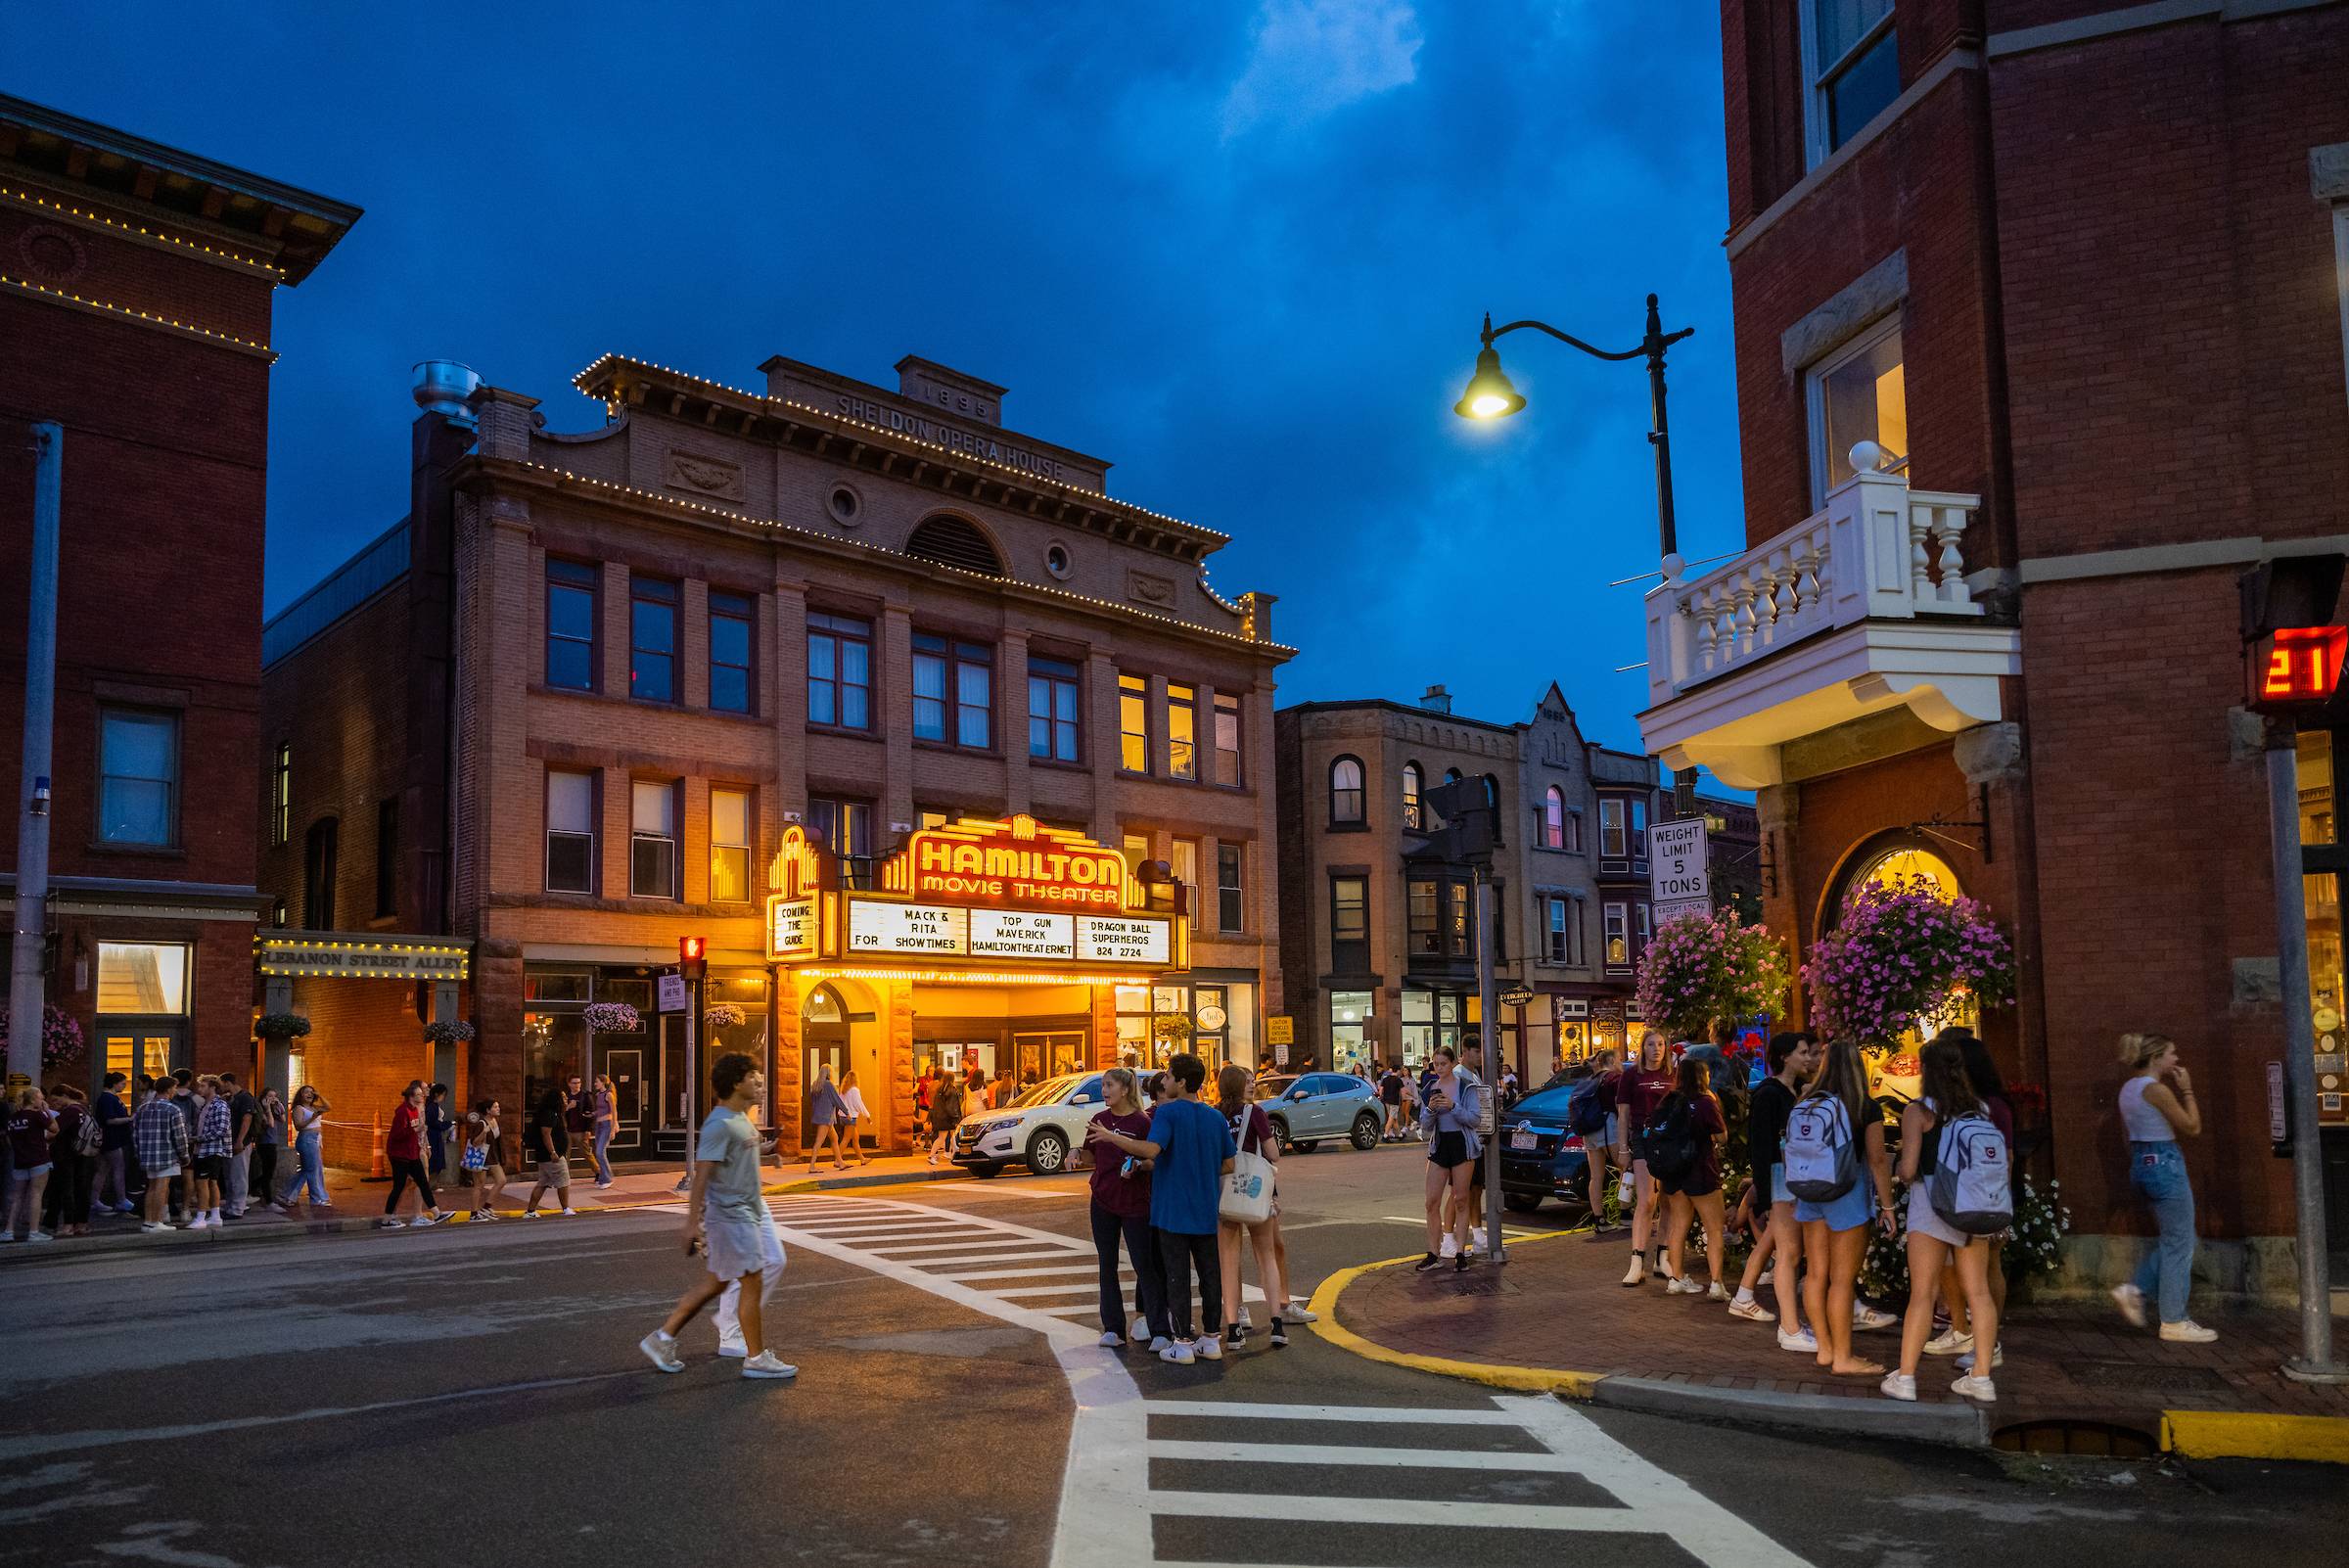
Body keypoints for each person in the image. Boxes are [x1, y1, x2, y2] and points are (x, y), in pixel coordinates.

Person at [641, 1051, 796, 1380]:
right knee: (751, 1280)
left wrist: (767, 1152)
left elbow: (741, 1151)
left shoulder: (741, 1117)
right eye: (754, 1077)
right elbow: (702, 1174)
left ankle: (663, 1338)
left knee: (716, 1284)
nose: (760, 1083)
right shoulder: (719, 1124)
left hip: (747, 1213)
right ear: (737, 1082)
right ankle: (755, 1357)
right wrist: (690, 1224)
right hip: (731, 1217)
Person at [1087, 1051, 1235, 1365]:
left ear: (1181, 1083)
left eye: (1167, 1076)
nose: (1162, 1081)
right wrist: (1198, 1167)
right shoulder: (1214, 1117)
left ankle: (1181, 1342)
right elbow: (1228, 1163)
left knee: (1175, 1276)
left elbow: (1151, 1150)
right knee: (1210, 1274)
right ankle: (1210, 1339)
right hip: (1206, 1206)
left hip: (1172, 1209)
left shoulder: (1167, 1115)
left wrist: (1113, 1138)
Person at [1883, 1037, 2003, 1404]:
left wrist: (1902, 1164)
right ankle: (1981, 1376)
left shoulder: (1918, 1112)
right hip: (1970, 1203)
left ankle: (1906, 1377)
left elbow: (1907, 1170)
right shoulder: (1980, 1108)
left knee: (1922, 1295)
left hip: (1930, 1203)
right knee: (1978, 1292)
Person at [1794, 1038, 1897, 1377]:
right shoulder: (1864, 1106)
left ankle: (1824, 1348)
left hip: (1809, 1193)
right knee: (1842, 1281)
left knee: (1815, 1274)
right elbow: (1878, 1159)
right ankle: (1843, 1357)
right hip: (1847, 1195)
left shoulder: (1807, 1100)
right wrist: (1888, 1206)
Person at [2112, 1031, 2216, 1343]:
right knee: (2179, 1242)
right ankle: (2173, 1319)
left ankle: (2135, 1289)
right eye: (2172, 1054)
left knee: (2179, 1239)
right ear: (2156, 1058)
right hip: (2165, 1162)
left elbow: (2129, 1133)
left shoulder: (2128, 1088)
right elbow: (2192, 1126)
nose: (2176, 1059)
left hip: (2142, 1162)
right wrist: (2187, 1091)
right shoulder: (2156, 1090)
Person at [1729, 1032, 1818, 1346]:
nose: (1808, 1058)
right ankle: (1789, 1326)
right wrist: (1765, 1194)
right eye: (1803, 1052)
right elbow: (1762, 1146)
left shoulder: (1794, 1091)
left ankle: (1743, 1294)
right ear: (1784, 1056)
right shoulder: (1769, 1094)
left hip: (1792, 1179)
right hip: (1780, 1179)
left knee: (1774, 1242)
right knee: (1786, 1250)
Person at [1936, 1030, 2014, 1371]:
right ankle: (1962, 1329)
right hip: (1961, 1198)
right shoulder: (1961, 1105)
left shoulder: (1993, 1107)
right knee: (1953, 1266)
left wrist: (1999, 1203)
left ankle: (1990, 1341)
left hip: (1987, 1197)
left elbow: (2006, 1158)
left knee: (1989, 1267)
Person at [1087, 1066, 1168, 1350]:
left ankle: (1160, 1329)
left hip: (1135, 1202)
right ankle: (1113, 1328)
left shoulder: (1142, 1122)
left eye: (1109, 1085)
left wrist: (1139, 1165)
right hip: (1103, 1199)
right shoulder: (1098, 1119)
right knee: (1106, 1263)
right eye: (1103, 1086)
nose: (1104, 1091)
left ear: (1124, 1089)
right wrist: (1075, 1153)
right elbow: (1090, 1155)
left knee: (1144, 1264)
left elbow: (1154, 1159)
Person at [1214, 1064, 1286, 1348]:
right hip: (1255, 1190)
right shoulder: (1254, 1113)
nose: (1252, 1084)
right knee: (1266, 1255)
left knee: (1228, 1260)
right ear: (1235, 1084)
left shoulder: (1215, 1114)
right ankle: (1276, 1325)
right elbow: (1273, 1154)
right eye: (1246, 1080)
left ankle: (1233, 1328)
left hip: (1225, 1190)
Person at [1653, 1053, 1730, 1299]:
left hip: (1674, 1172)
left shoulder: (1669, 1100)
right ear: (1701, 1077)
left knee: (1678, 1226)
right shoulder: (1705, 1102)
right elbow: (1721, 1137)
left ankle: (1676, 1278)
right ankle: (1716, 1283)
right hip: (1701, 1170)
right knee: (1714, 1228)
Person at [1615, 1035, 1677, 1286]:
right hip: (1643, 1137)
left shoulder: (1674, 1074)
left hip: (1670, 1140)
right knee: (1647, 1200)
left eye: (1661, 1044)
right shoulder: (1631, 1076)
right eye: (1651, 1044)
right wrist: (1622, 1148)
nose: (1656, 1049)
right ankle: (1637, 1261)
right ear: (1642, 1048)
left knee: (1668, 1200)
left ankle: (1663, 1257)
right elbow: (1623, 1115)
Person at [1415, 1046, 1482, 1272]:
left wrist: (1453, 1106)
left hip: (1462, 1144)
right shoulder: (1429, 1089)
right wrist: (1431, 1110)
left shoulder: (1465, 1087)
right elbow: (1425, 1125)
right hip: (1440, 1144)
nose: (1440, 1068)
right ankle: (1433, 1252)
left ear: (1453, 1063)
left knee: (1461, 1198)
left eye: (1444, 1064)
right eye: (1436, 1064)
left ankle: (1460, 1251)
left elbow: (1474, 1119)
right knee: (1431, 1201)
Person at [381, 1081, 448, 1228]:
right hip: (399, 1154)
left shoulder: (414, 1110)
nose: (422, 1096)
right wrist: (416, 1130)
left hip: (412, 1153)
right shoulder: (403, 1111)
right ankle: (387, 1219)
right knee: (399, 1186)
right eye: (419, 1094)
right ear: (411, 1096)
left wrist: (423, 1142)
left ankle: (437, 1214)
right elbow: (398, 1134)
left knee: (423, 1183)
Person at [133, 1076, 190, 1233]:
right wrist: (184, 1155)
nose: (175, 1091)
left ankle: (148, 1221)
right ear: (168, 1090)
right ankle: (156, 1220)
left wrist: (139, 1153)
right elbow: (180, 1136)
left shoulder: (142, 1108)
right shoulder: (173, 1109)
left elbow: (135, 1134)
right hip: (167, 1154)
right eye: (174, 1088)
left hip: (147, 1154)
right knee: (162, 1187)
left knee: (151, 1187)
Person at [3, 1087, 58, 1242]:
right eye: (40, 1098)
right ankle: (34, 1231)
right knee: (36, 1194)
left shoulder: (13, 1118)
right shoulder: (37, 1115)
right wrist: (47, 1112)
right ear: (33, 1100)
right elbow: (55, 1129)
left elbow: (8, 1140)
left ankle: (9, 1231)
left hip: (20, 1160)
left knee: (17, 1196)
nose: (42, 1101)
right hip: (38, 1159)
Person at [1575, 1047, 1621, 1229]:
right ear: (1612, 1061)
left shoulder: (1590, 1080)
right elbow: (1620, 1105)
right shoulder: (1613, 1078)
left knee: (1596, 1177)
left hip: (1589, 1131)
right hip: (1608, 1127)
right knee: (1628, 1169)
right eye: (1618, 1060)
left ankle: (1599, 1218)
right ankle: (1625, 1212)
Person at [41, 1086, 94, 1237]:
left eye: (56, 1100)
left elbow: (52, 1133)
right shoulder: (83, 1110)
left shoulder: (69, 1112)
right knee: (81, 1189)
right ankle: (81, 1223)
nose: (54, 1104)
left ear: (65, 1096)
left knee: (65, 1190)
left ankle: (67, 1225)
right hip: (82, 1154)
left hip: (65, 1156)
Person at [273, 1084, 330, 1212]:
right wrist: (312, 1118)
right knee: (311, 1169)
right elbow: (298, 1126)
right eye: (306, 1092)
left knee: (312, 1169)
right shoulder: (299, 1108)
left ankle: (288, 1195)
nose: (309, 1094)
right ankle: (316, 1198)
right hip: (306, 1139)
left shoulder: (314, 1107)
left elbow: (328, 1107)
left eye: (311, 1092)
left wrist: (319, 1095)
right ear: (301, 1095)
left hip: (316, 1139)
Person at [524, 1083, 576, 1217]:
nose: (566, 1100)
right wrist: (553, 1152)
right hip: (552, 1156)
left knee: (543, 1183)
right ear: (556, 1100)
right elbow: (546, 1133)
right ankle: (566, 1208)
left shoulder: (552, 1113)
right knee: (563, 1181)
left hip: (545, 1155)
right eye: (563, 1098)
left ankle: (530, 1211)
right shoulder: (550, 1114)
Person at [187, 1076, 232, 1230]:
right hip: (204, 1149)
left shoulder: (219, 1105)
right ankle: (215, 1215)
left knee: (202, 1183)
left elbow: (221, 1129)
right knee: (212, 1182)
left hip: (210, 1149)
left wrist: (199, 1139)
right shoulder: (206, 1105)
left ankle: (201, 1217)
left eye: (203, 1086)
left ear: (212, 1087)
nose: (199, 1089)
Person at [94, 1071, 136, 1215]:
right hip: (112, 1138)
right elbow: (110, 1119)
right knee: (118, 1168)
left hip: (111, 1138)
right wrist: (130, 1119)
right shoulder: (108, 1099)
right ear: (114, 1083)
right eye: (123, 1083)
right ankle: (121, 1199)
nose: (124, 1086)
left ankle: (95, 1200)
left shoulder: (109, 1098)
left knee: (103, 1169)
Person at [462, 1098, 511, 1220]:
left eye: (498, 1106)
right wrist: (484, 1132)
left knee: (501, 1180)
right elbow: (474, 1142)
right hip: (481, 1157)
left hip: (492, 1157)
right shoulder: (481, 1123)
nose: (498, 1109)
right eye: (495, 1107)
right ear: (488, 1110)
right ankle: (473, 1214)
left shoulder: (495, 1121)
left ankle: (486, 1207)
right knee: (479, 1185)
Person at [219, 1073, 257, 1219]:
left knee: (238, 1176)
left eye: (221, 1083)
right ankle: (230, 1206)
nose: (220, 1087)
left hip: (240, 1143)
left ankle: (237, 1208)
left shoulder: (245, 1098)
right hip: (231, 1142)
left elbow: (247, 1119)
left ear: (228, 1083)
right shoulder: (231, 1099)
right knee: (230, 1176)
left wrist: (240, 1140)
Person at [806, 1064, 849, 1171]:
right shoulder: (828, 1085)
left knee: (834, 1138)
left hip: (821, 1116)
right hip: (826, 1117)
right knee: (819, 1141)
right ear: (829, 1073)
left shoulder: (815, 1085)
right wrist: (846, 1111)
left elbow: (813, 1101)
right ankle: (812, 1166)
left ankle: (840, 1162)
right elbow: (836, 1100)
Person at [252, 1085, 286, 1210]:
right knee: (268, 1173)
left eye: (274, 1096)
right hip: (265, 1143)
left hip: (272, 1142)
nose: (272, 1099)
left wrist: (278, 1104)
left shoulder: (274, 1108)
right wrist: (267, 1109)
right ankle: (268, 1200)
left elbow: (283, 1119)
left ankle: (251, 1188)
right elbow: (270, 1124)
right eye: (269, 1096)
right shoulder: (261, 1110)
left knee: (268, 1172)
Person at [926, 1069, 965, 1167]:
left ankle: (946, 1154)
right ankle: (952, 1154)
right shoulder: (951, 1090)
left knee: (942, 1137)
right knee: (953, 1136)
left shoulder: (940, 1090)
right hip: (949, 1118)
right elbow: (952, 1107)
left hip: (939, 1117)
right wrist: (956, 1118)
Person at [588, 1074, 618, 1187]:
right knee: (598, 1152)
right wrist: (592, 1114)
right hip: (598, 1125)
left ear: (603, 1082)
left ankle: (607, 1178)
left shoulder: (608, 1095)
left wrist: (613, 1128)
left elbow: (614, 1111)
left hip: (606, 1125)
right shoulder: (598, 1095)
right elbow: (600, 1110)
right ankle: (602, 1178)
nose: (595, 1084)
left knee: (600, 1152)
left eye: (597, 1082)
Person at [424, 1083, 455, 1187]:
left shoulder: (431, 1105)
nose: (444, 1097)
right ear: (437, 1094)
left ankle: (431, 1185)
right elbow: (432, 1122)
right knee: (435, 1162)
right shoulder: (432, 1106)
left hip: (434, 1135)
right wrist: (447, 1124)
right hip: (433, 1136)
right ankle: (429, 1185)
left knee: (435, 1162)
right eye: (443, 1095)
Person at [1378, 1063, 1406, 1141]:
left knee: (1394, 1118)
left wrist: (1380, 1096)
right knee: (1391, 1118)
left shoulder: (1385, 1079)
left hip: (1386, 1101)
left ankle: (1400, 1135)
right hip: (1394, 1101)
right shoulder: (1398, 1080)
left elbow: (1380, 1089)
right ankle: (1385, 1135)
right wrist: (1403, 1099)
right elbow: (1403, 1091)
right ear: (1397, 1071)